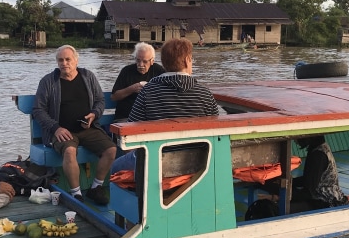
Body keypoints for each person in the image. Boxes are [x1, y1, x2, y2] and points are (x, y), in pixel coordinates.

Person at [111, 38, 219, 173]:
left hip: (156, 159)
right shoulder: (204, 93)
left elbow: (132, 130)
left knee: (114, 168)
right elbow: (216, 129)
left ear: (162, 62)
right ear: (187, 60)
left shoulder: (148, 90)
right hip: (197, 161)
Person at [32, 45, 117, 205]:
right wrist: (55, 127)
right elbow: (38, 109)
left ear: (76, 60)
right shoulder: (48, 81)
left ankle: (95, 188)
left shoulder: (88, 76)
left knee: (111, 149)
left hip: (88, 128)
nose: (64, 63)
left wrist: (94, 115)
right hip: (62, 132)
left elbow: (100, 101)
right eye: (60, 60)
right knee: (70, 151)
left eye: (68, 59)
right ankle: (76, 194)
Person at [291, 135, 349, 210]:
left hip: (325, 202)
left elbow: (309, 192)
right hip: (331, 198)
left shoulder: (318, 155)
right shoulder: (321, 148)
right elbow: (309, 180)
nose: (295, 140)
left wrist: (283, 196)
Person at [110, 42, 165, 121]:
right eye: (138, 60)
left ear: (152, 61)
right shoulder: (126, 71)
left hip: (150, 118)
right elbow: (114, 97)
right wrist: (132, 89)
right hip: (126, 117)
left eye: (145, 61)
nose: (140, 64)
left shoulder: (158, 71)